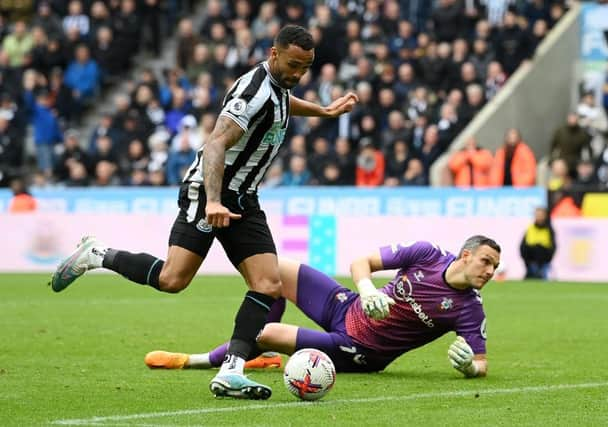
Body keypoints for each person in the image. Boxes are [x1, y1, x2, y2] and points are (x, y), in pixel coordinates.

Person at [48, 25, 359, 400]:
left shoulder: (277, 88)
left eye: (305, 69)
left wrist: (322, 111)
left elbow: (283, 103)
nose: (298, 75)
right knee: (172, 279)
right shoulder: (252, 92)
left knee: (267, 284)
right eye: (293, 65)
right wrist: (213, 200)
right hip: (209, 191)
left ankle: (232, 370)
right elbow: (215, 145)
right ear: (273, 54)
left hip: (244, 198)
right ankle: (98, 254)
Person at [145, 236, 501, 379]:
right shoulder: (426, 254)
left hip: (361, 350)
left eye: (494, 267)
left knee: (267, 332)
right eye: (485, 262)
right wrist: (367, 288)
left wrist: (471, 367)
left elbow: (482, 363)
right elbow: (362, 262)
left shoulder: (469, 309)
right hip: (347, 307)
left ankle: (198, 360)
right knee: (271, 271)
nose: (489, 271)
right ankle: (257, 354)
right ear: (465, 255)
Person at [520, 207, 556, 279]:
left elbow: (552, 247)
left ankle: (541, 271)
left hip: (544, 259)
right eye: (537, 215)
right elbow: (522, 246)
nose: (538, 217)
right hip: (531, 260)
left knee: (539, 248)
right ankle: (532, 270)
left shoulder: (549, 230)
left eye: (540, 215)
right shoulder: (530, 228)